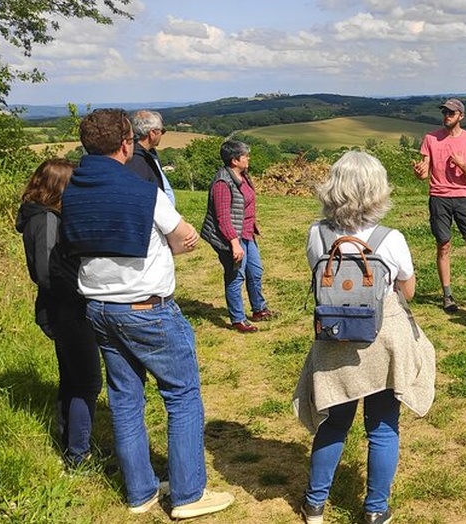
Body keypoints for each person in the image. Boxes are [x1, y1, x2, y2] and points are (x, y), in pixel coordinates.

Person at [61, 109, 234, 518]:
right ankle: (189, 494)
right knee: (183, 395)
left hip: (99, 309)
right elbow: (181, 237)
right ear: (126, 143)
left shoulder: (73, 190)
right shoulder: (143, 192)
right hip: (147, 308)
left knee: (124, 401)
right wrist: (179, 241)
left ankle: (141, 493)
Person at [293, 151, 436, 524]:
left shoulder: (316, 233)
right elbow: (407, 291)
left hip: (334, 339)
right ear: (378, 192)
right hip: (383, 342)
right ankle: (375, 510)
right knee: (383, 427)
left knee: (334, 422)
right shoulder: (391, 239)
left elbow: (319, 278)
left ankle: (314, 504)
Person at [15, 158, 102, 467]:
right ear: (59, 187)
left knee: (71, 378)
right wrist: (83, 291)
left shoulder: (39, 216)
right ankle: (79, 455)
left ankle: (69, 443)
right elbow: (47, 271)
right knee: (87, 382)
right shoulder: (47, 220)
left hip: (59, 309)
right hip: (66, 310)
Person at [413, 98, 466, 312]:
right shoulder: (430, 139)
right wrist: (419, 173)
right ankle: (447, 296)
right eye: (445, 112)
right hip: (439, 197)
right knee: (443, 245)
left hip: (463, 197)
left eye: (451, 113)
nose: (447, 116)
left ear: (461, 116)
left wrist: (461, 164)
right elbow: (424, 172)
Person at [200, 140, 277, 333]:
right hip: (231, 237)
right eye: (245, 156)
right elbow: (223, 217)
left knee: (256, 271)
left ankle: (258, 309)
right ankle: (238, 319)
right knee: (236, 276)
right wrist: (234, 244)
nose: (248, 158)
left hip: (247, 233)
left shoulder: (242, 176)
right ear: (234, 160)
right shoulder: (222, 183)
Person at [126, 110, 176, 205]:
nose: (162, 134)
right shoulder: (137, 160)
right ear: (152, 133)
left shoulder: (148, 154)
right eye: (162, 131)